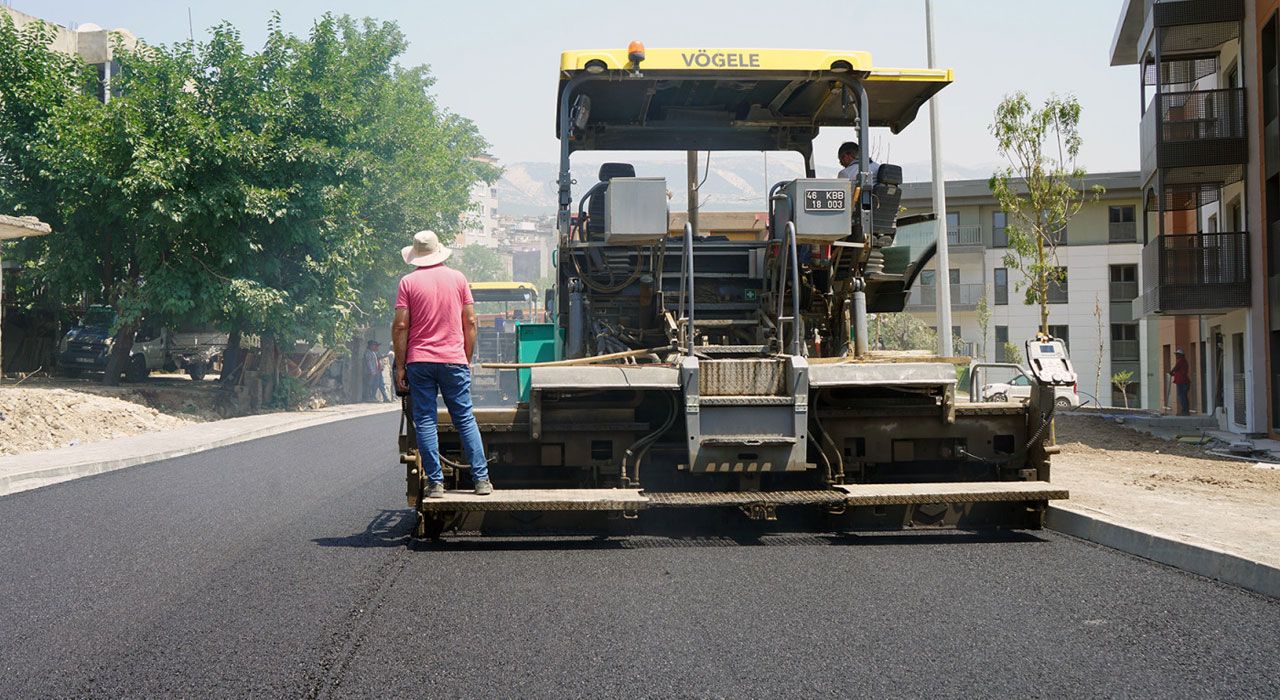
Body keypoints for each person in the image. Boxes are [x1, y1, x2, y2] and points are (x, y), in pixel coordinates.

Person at [392, 230, 492, 497]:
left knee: (425, 420)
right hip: (453, 360)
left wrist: (400, 366)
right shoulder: (458, 279)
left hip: (420, 361)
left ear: (416, 255)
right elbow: (470, 322)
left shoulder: (408, 283)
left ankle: (436, 483)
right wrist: (466, 358)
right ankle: (481, 480)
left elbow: (401, 325)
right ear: (439, 252)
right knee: (464, 418)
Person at [1169, 348, 1191, 416]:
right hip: (1183, 382)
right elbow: (1179, 371)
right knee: (1183, 396)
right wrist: (1173, 373)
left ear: (1181, 355)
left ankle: (1185, 411)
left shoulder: (1181, 360)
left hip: (1182, 382)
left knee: (1182, 396)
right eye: (1176, 354)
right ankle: (1185, 411)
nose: (1176, 356)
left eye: (1177, 354)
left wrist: (1171, 371)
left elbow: (1176, 368)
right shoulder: (1183, 361)